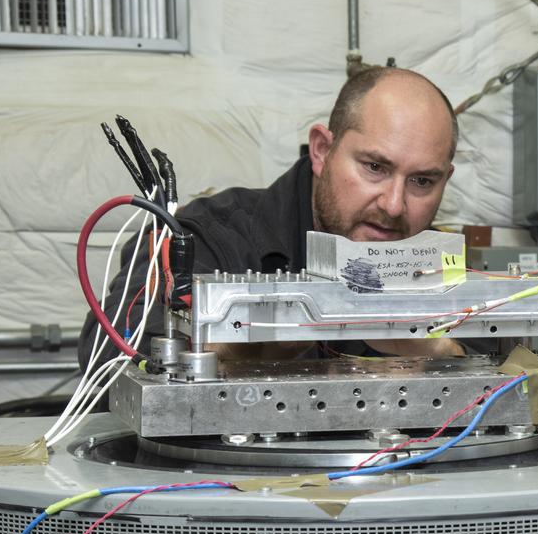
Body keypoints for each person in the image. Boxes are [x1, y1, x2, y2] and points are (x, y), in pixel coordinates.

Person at [79, 66, 460, 367]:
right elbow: (105, 366)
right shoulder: (202, 240)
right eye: (375, 167)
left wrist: (441, 353)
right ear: (322, 150)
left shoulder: (446, 270)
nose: (394, 205)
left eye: (422, 181)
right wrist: (242, 349)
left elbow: (508, 378)